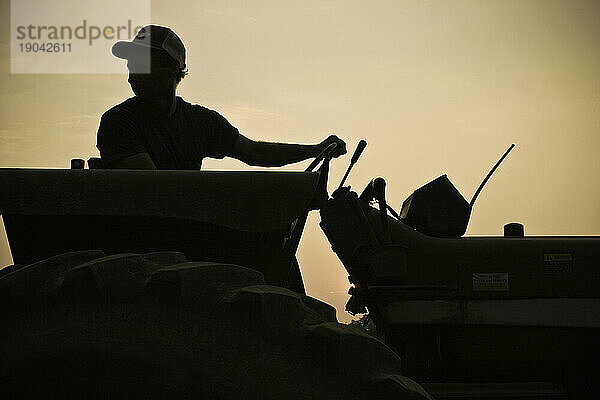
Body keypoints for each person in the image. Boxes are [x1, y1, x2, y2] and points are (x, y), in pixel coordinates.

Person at [96, 24, 346, 169]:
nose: (131, 74)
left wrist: (316, 150)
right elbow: (155, 191)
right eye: (131, 64)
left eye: (141, 64)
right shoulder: (118, 122)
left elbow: (255, 153)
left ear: (172, 68)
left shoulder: (203, 122)